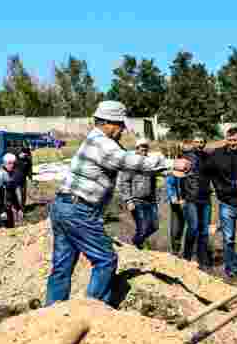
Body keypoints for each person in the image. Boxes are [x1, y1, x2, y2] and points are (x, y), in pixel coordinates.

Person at [44, 100, 190, 306]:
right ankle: (91, 312)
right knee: (105, 260)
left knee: (62, 265)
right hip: (79, 209)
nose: (122, 129)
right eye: (119, 124)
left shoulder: (97, 140)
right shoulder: (102, 143)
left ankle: (52, 312)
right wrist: (171, 162)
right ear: (106, 123)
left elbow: (128, 159)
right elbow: (128, 161)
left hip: (63, 206)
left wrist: (165, 170)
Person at [206, 127, 237, 278]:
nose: (233, 143)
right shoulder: (217, 154)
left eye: (236, 140)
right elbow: (207, 170)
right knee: (229, 239)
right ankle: (230, 267)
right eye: (230, 140)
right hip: (226, 203)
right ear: (226, 139)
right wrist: (218, 188)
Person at [116, 138, 160, 249]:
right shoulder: (131, 163)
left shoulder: (150, 163)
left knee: (154, 226)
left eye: (146, 147)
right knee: (143, 227)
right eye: (142, 147)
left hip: (151, 200)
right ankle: (136, 246)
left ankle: (136, 243)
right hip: (137, 200)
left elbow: (154, 181)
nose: (144, 149)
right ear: (137, 148)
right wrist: (128, 200)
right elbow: (124, 182)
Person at [181, 136, 213, 268]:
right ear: (192, 143)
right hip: (191, 197)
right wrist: (181, 196)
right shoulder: (186, 157)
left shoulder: (208, 157)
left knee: (204, 231)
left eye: (202, 142)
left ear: (204, 143)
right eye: (197, 142)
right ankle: (187, 257)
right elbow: (180, 177)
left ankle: (202, 259)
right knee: (193, 228)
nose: (199, 144)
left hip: (205, 198)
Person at [0, 153, 21, 230]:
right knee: (2, 231)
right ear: (4, 163)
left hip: (8, 208)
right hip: (0, 208)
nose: (12, 165)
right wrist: (1, 211)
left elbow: (13, 193)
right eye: (9, 163)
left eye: (13, 163)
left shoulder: (12, 174)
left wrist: (18, 208)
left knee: (11, 229)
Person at [165, 167, 185, 255]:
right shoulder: (172, 174)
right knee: (177, 225)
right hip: (176, 202)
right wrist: (174, 198)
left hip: (189, 200)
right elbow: (170, 185)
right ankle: (175, 250)